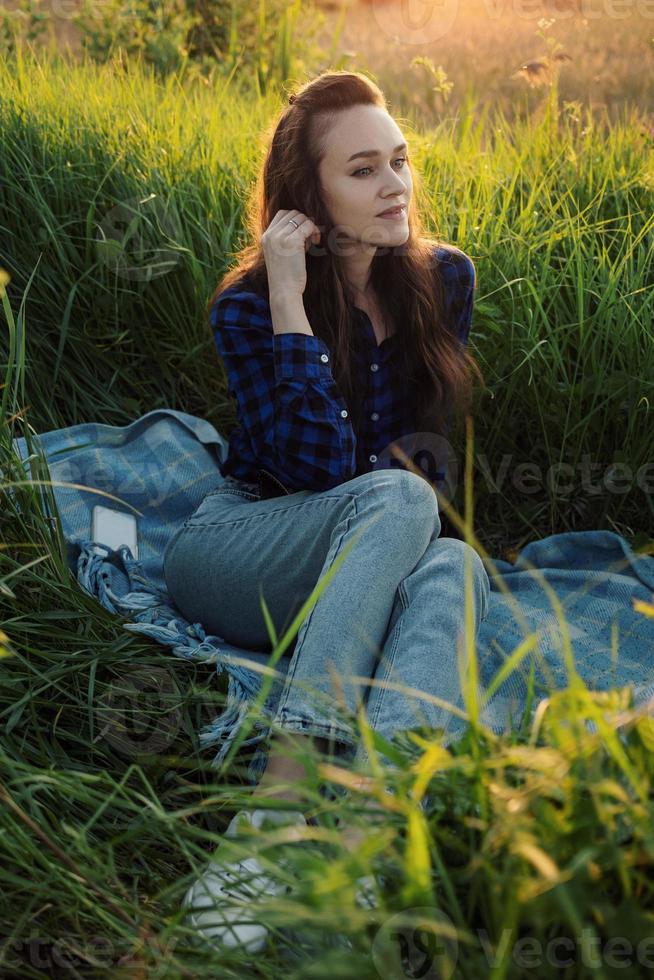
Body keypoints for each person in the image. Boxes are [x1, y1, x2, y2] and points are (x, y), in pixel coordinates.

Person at [163, 69, 490, 952]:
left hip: (374, 544)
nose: (395, 188)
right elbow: (316, 470)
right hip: (243, 546)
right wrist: (285, 293)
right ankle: (278, 804)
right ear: (306, 200)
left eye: (401, 161)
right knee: (394, 496)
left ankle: (364, 837)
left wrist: (424, 554)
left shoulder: (443, 280)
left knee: (457, 565)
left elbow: (427, 450)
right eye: (363, 171)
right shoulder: (246, 307)